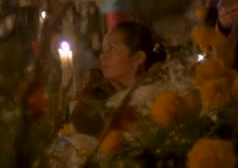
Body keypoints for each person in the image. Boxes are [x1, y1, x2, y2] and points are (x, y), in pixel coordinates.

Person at [47, 21, 167, 167]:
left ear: (137, 58)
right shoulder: (98, 94)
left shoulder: (154, 99)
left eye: (112, 49)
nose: (103, 57)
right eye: (103, 50)